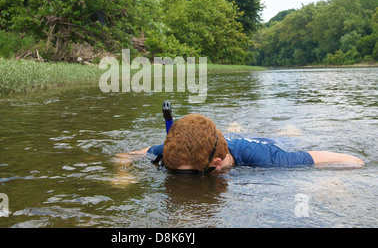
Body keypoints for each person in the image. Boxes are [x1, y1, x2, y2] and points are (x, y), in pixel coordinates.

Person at [120, 114, 365, 174]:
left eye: (188, 177)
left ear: (216, 165)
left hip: (266, 143)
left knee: (289, 134)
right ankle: (233, 130)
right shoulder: (174, 152)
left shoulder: (268, 159)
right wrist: (121, 175)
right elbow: (123, 156)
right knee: (232, 130)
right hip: (222, 141)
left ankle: (288, 131)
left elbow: (355, 160)